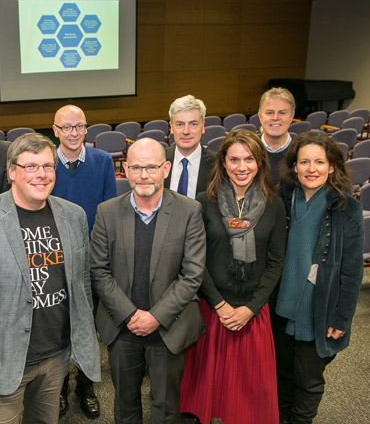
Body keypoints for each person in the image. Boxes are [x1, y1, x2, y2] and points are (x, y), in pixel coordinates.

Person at [0, 133, 101, 424]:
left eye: (47, 166)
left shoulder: (74, 216)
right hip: (2, 357)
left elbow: (81, 285)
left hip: (55, 357)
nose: (41, 175)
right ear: (12, 172)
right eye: (31, 166)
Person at [90, 138, 206, 424]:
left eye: (151, 167)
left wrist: (156, 316)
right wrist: (130, 315)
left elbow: (192, 274)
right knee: (125, 403)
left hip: (168, 326)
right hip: (122, 326)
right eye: (137, 168)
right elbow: (98, 270)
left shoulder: (189, 211)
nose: (144, 175)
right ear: (126, 170)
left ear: (165, 169)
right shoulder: (107, 211)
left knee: (166, 406)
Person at [179, 129, 287, 424]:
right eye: (234, 159)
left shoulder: (274, 203)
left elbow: (276, 263)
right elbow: (195, 261)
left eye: (249, 159)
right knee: (208, 395)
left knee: (248, 402)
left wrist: (250, 309)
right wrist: (220, 305)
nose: (242, 167)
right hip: (213, 311)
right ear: (223, 163)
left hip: (253, 313)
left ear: (260, 162)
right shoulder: (204, 201)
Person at [274, 131, 364, 424]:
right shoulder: (283, 197)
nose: (311, 169)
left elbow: (352, 269)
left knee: (308, 380)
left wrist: (342, 318)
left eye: (319, 162)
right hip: (279, 306)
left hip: (319, 309)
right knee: (281, 375)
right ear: (294, 166)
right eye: (304, 162)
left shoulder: (346, 206)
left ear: (333, 166)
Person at [50, 104, 116, 417]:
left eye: (79, 126)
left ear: (86, 129)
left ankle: (86, 386)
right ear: (55, 131)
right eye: (66, 127)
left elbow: (109, 213)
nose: (73, 133)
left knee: (88, 328)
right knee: (58, 327)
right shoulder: (44, 163)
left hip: (91, 261)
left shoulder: (102, 161)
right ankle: (59, 387)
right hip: (52, 261)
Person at [164, 95, 216, 199]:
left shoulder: (217, 164)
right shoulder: (159, 160)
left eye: (193, 124)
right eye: (179, 124)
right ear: (172, 127)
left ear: (203, 126)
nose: (186, 131)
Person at [257, 87, 296, 184]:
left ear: (291, 117)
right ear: (260, 117)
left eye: (282, 113)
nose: (275, 118)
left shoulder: (302, 151)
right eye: (269, 113)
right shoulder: (247, 150)